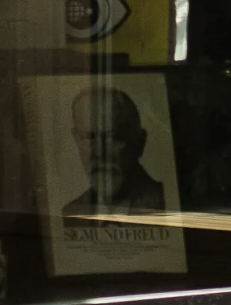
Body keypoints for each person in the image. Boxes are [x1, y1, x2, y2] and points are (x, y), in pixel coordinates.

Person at [63, 85, 170, 218]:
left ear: (139, 142)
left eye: (112, 137)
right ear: (76, 139)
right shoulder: (70, 213)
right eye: (89, 137)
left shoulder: (169, 203)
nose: (99, 154)